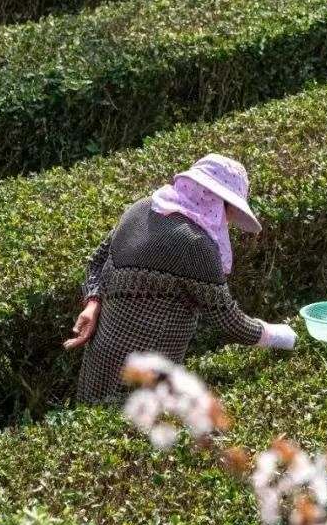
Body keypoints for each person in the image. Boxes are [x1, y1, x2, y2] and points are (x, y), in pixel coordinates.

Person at [66, 153, 296, 405]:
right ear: (218, 202)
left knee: (92, 422)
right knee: (130, 434)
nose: (229, 219)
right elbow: (226, 319)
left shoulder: (142, 207)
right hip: (142, 373)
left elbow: (96, 261)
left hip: (100, 355)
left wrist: (93, 301)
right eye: (231, 209)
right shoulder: (195, 244)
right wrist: (277, 335)